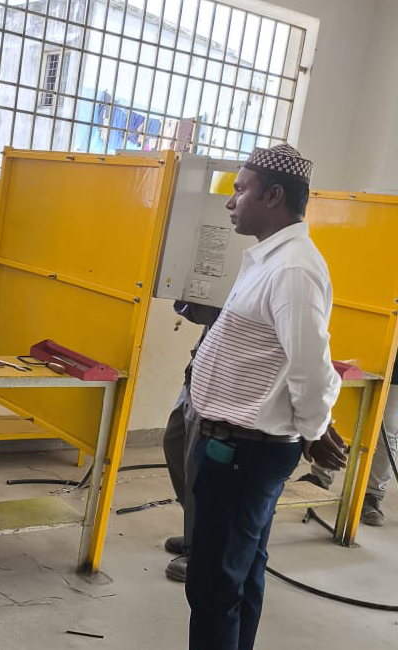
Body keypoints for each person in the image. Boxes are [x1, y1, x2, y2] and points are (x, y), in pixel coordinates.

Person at [185, 144, 347, 650]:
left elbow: (310, 365)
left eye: (240, 190)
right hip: (236, 446)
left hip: (245, 453)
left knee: (214, 586)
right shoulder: (269, 258)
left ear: (273, 196)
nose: (230, 202)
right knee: (239, 574)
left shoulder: (292, 269)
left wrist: (314, 429)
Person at [299, 359, 398, 526]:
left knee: (386, 434)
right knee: (337, 417)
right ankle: (320, 478)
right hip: (357, 357)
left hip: (394, 373)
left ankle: (372, 496)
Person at [162, 301, 220, 582]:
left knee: (195, 463)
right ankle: (197, 531)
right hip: (198, 372)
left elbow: (206, 312)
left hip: (217, 381)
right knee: (174, 442)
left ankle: (201, 551)